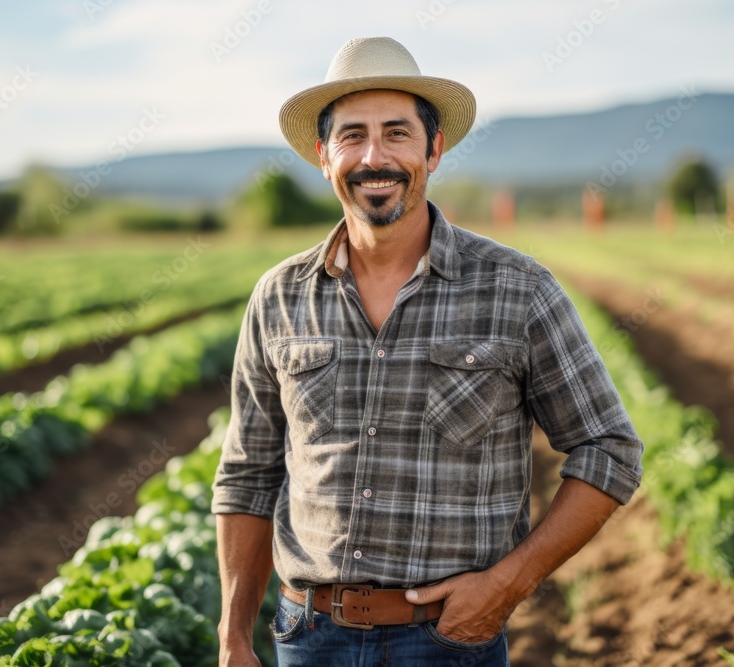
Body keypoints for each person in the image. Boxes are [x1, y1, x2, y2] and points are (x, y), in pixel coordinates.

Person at [212, 36, 644, 666]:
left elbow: (609, 447)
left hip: (448, 639)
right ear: (324, 156)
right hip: (309, 638)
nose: (374, 157)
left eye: (397, 133)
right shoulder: (279, 296)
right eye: (353, 136)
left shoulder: (516, 289)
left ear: (433, 150)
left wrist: (508, 584)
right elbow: (248, 474)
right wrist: (232, 637)